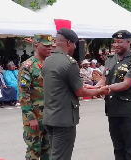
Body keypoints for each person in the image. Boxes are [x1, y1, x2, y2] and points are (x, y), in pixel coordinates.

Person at [41, 27, 110, 160]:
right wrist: (100, 90)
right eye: (74, 44)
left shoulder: (47, 61)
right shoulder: (69, 63)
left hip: (50, 116)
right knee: (61, 157)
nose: (74, 47)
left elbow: (57, 85)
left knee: (55, 154)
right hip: (64, 119)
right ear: (68, 43)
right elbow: (80, 92)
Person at [95, 30, 131, 160]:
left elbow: (126, 84)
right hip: (112, 109)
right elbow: (104, 79)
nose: (116, 45)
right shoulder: (111, 59)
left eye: (120, 42)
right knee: (118, 148)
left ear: (128, 42)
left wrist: (104, 89)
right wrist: (93, 88)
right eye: (115, 42)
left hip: (129, 111)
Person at [18, 34, 53, 160]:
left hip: (50, 115)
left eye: (51, 46)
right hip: (35, 117)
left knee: (48, 150)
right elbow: (23, 94)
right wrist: (31, 118)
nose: (49, 48)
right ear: (36, 45)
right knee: (34, 150)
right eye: (46, 46)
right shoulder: (28, 66)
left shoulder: (50, 64)